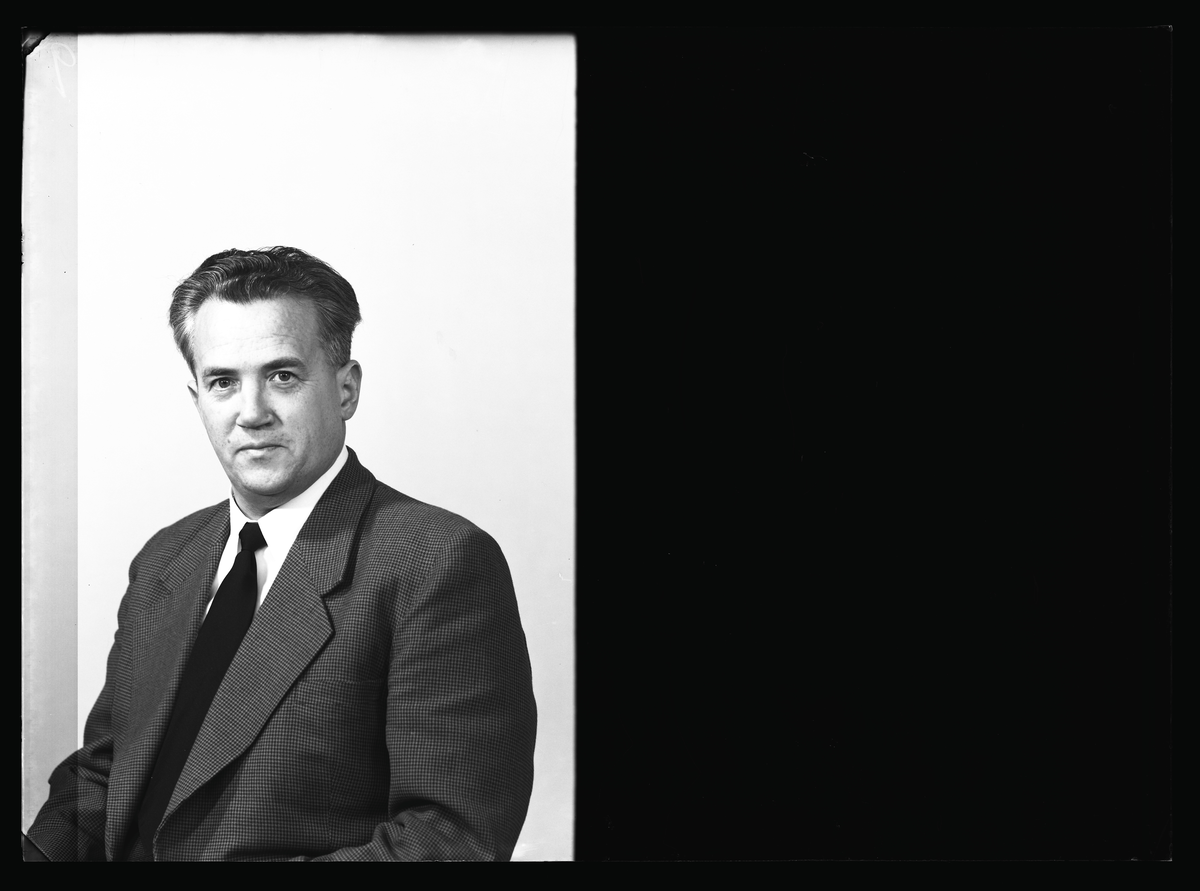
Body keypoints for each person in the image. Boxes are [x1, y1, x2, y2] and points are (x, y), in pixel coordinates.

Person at [25, 247, 537, 861]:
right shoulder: (165, 557)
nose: (252, 413)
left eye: (283, 376)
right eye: (223, 382)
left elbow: (450, 838)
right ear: (197, 399)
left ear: (346, 389)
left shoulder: (437, 562)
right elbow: (106, 775)